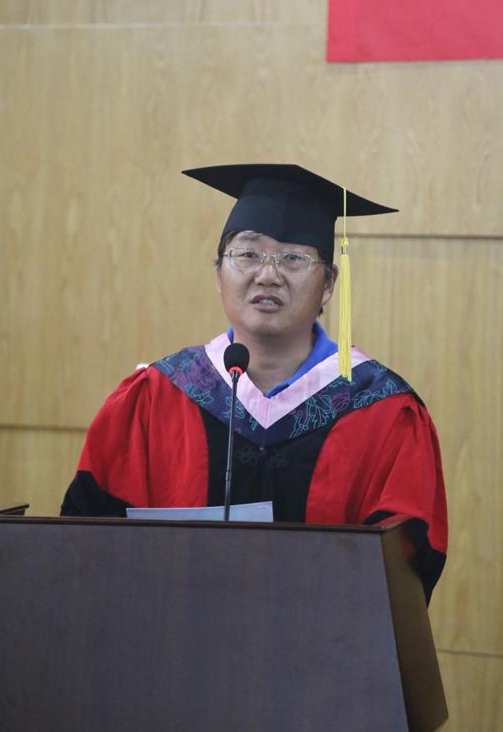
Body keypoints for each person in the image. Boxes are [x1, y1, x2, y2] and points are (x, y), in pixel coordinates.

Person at [61, 164, 447, 601]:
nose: (267, 275)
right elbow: (88, 548)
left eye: (293, 258)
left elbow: (402, 576)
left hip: (322, 643)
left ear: (328, 284)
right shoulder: (155, 399)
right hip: (169, 640)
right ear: (218, 274)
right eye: (247, 254)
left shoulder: (383, 410)